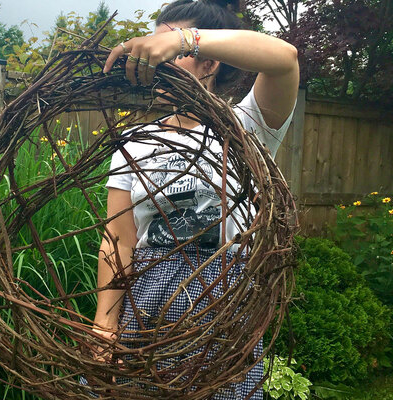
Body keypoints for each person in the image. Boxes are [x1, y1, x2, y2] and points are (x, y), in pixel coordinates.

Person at [90, 0, 299, 398]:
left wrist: (188, 40)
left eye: (173, 52)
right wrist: (105, 328)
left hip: (220, 301)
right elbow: (119, 241)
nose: (157, 59)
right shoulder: (133, 146)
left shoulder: (247, 127)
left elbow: (284, 59)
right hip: (146, 299)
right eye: (156, 47)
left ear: (209, 63)